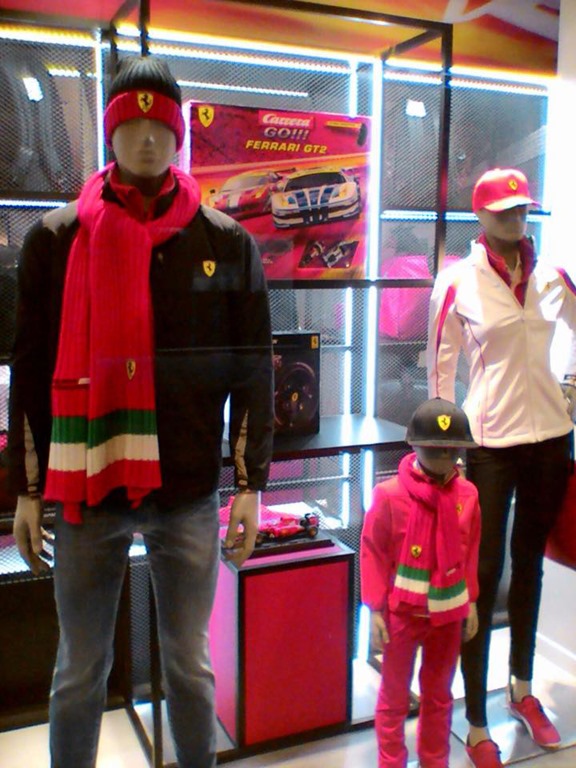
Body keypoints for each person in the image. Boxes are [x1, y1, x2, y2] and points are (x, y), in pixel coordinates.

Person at [7, 55, 274, 768]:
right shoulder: (57, 240)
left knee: (188, 665)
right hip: (88, 486)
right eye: (132, 123)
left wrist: (251, 484)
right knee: (79, 669)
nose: (148, 138)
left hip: (187, 487)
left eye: (162, 125)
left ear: (180, 134)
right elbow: (28, 372)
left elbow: (253, 368)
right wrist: (27, 489)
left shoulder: (226, 242)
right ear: (110, 132)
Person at [427, 167, 576, 768]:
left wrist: (571, 386)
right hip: (489, 445)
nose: (516, 218)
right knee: (481, 575)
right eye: (504, 210)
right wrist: (441, 448)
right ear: (481, 215)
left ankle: (521, 688)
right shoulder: (457, 281)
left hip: (551, 439)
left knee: (531, 567)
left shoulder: (552, 276)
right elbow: (440, 366)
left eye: (522, 209)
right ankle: (474, 718)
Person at [361, 397, 480, 768]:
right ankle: (390, 761)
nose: (444, 457)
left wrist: (471, 601)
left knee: (439, 694)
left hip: (448, 612)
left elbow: (470, 550)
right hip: (402, 614)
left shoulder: (468, 495)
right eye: (434, 448)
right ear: (414, 445)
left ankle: (435, 759)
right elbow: (373, 551)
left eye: (451, 449)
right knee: (394, 696)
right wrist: (374, 609)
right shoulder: (389, 495)